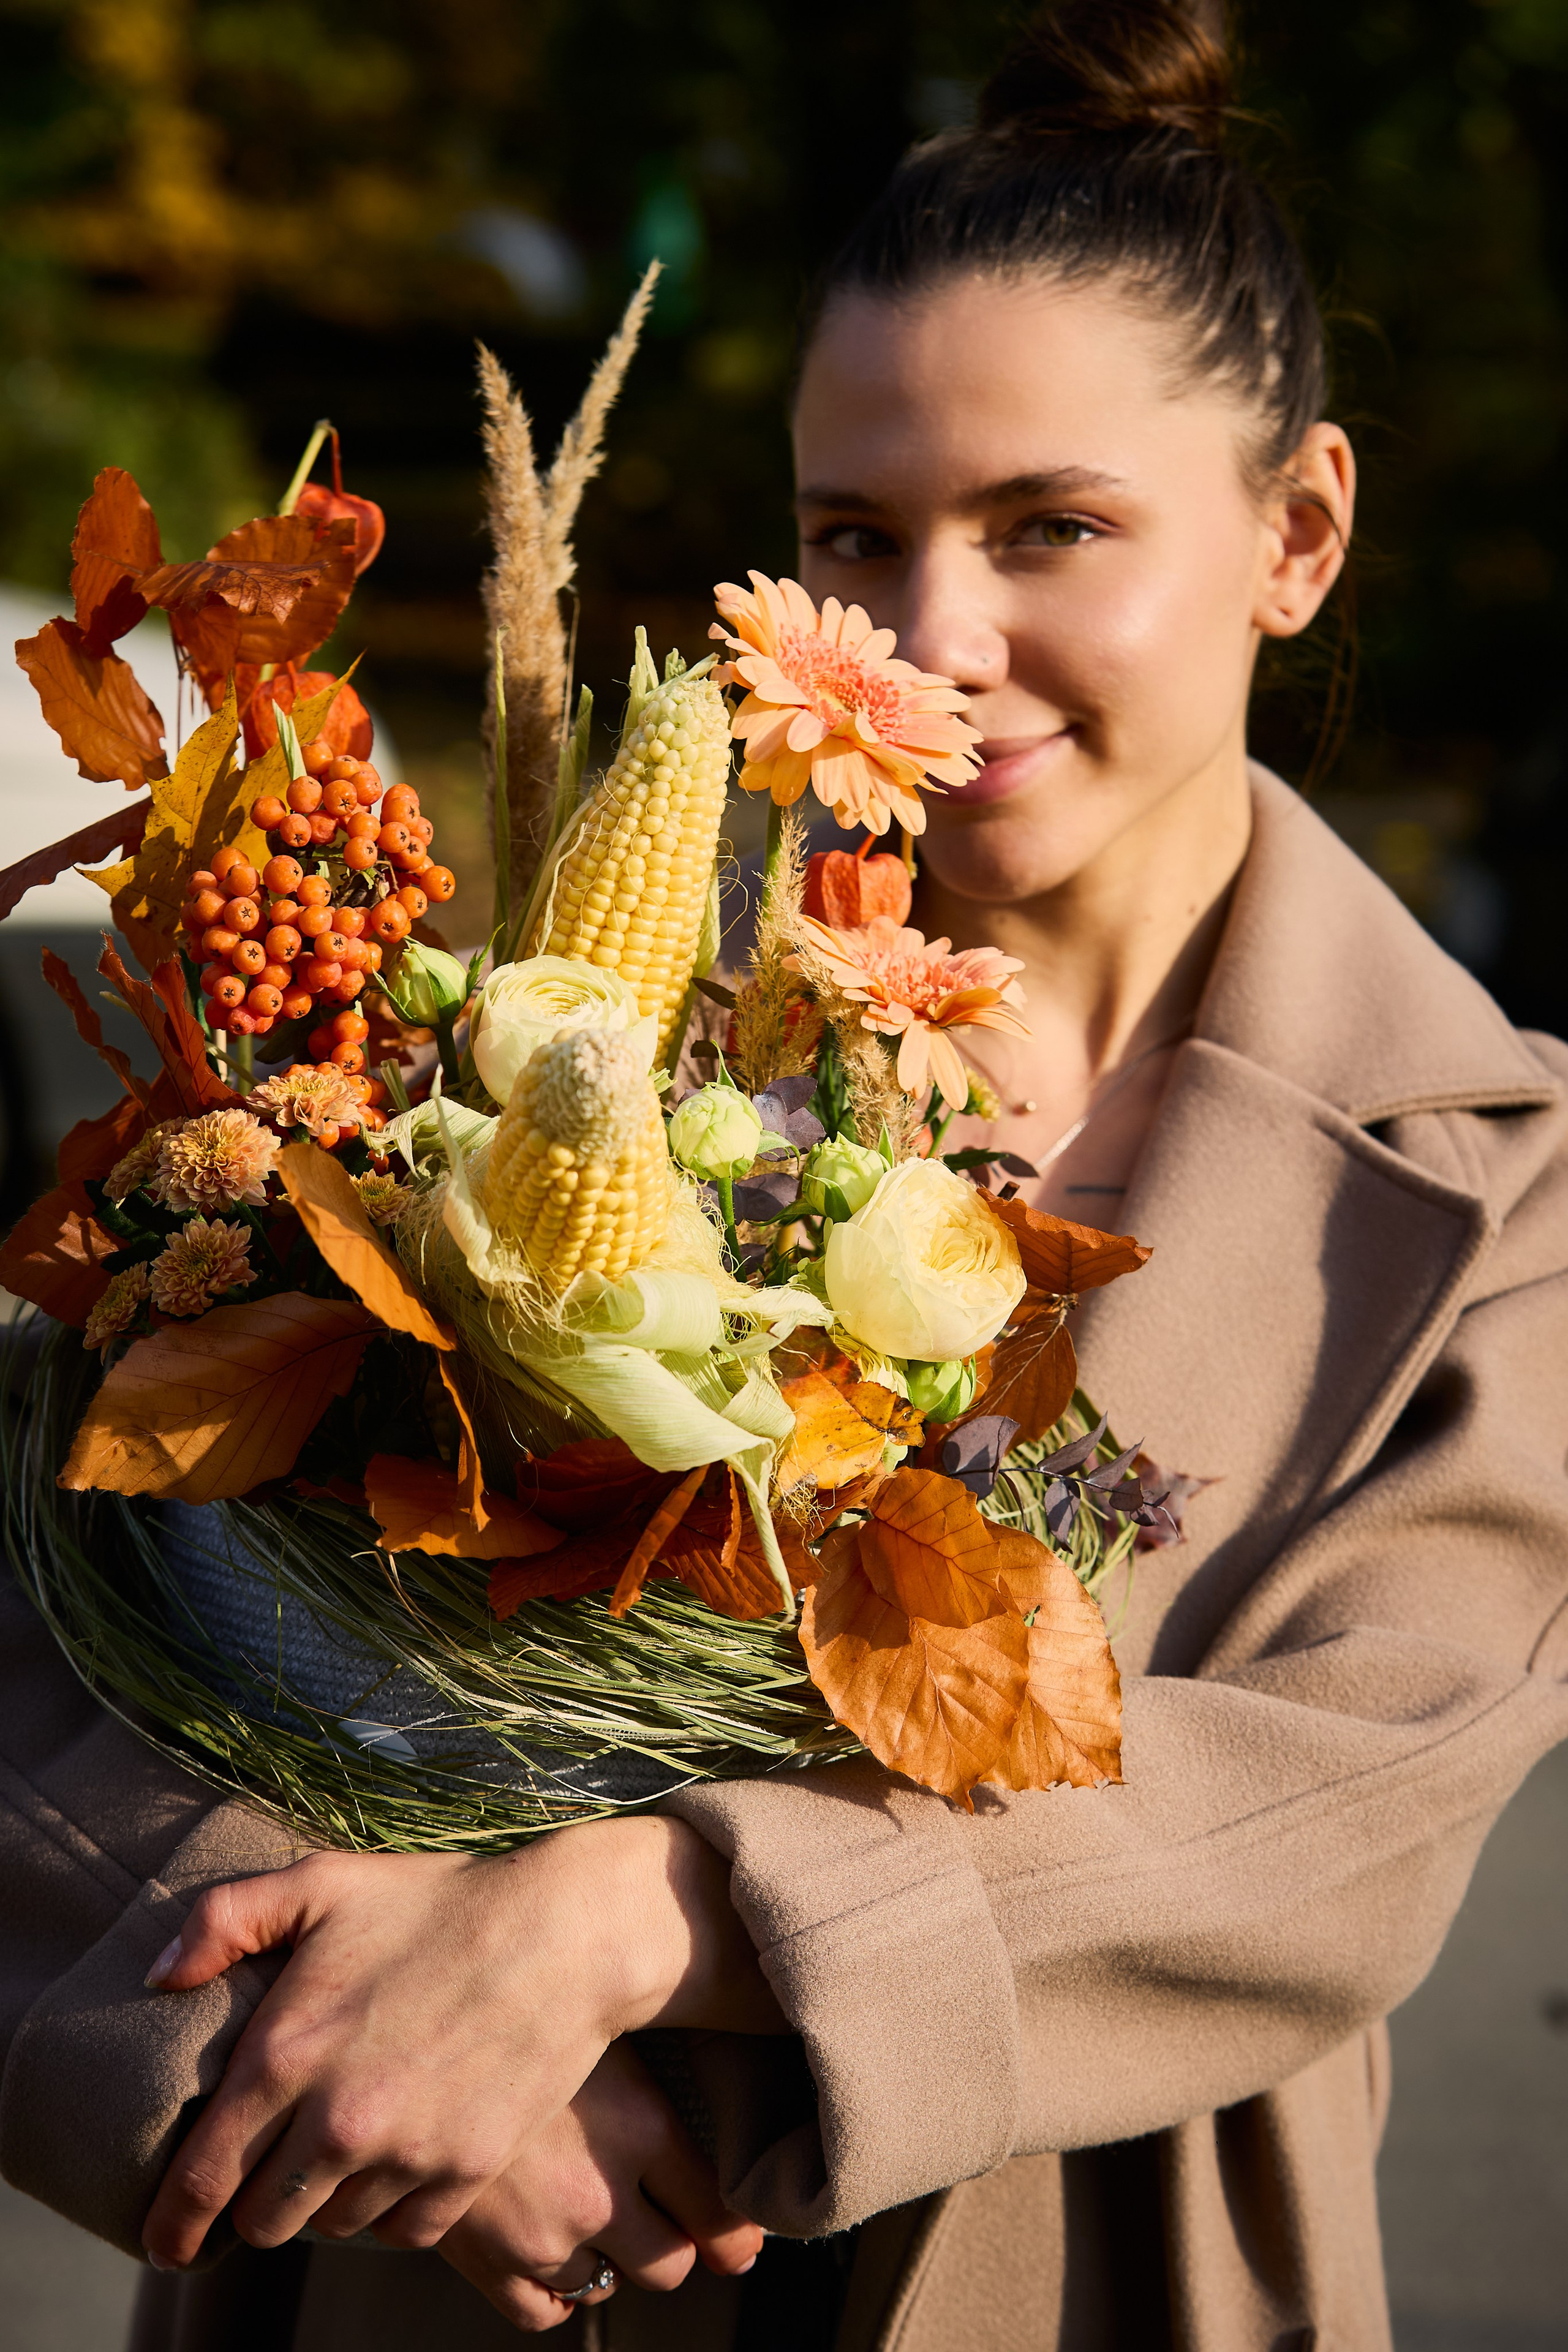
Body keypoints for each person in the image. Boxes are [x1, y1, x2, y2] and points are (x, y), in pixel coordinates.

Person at [4, 3, 1566, 2345]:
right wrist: (373, 2061)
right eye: (858, 535)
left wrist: (658, 1917)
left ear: (1299, 534)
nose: (935, 643)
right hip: (434, 2267)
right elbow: (72, 1630)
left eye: (1054, 527)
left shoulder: (1505, 1184)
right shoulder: (516, 1025)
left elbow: (1342, 1813)